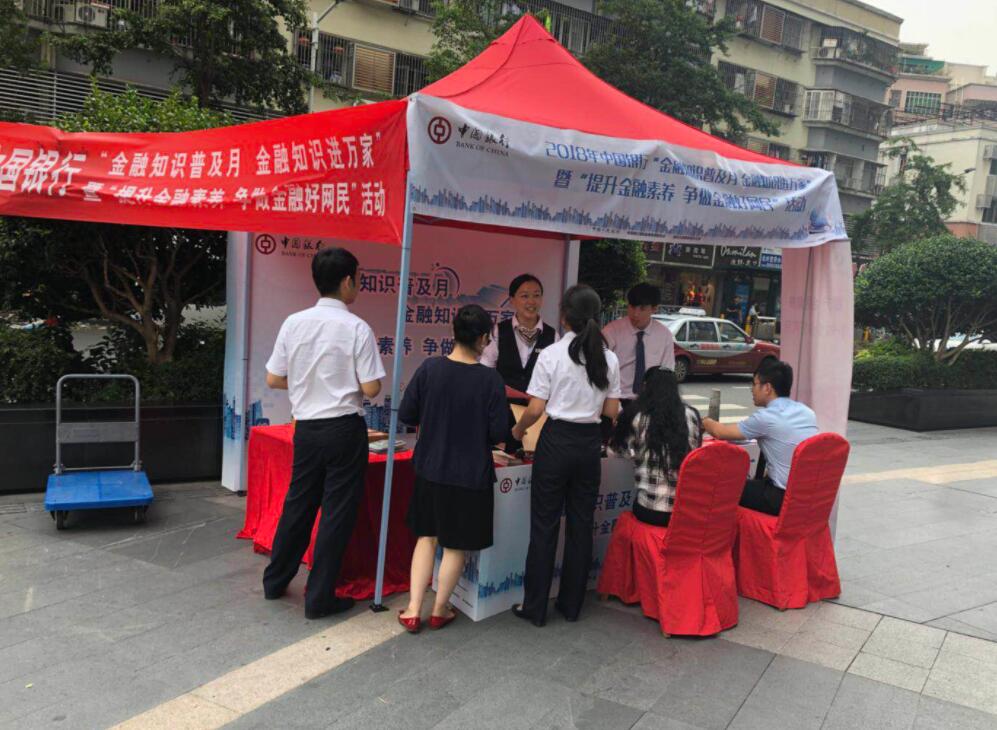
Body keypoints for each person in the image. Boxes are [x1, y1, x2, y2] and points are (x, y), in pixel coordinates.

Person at [262, 247, 385, 619]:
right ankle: (319, 597)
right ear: (347, 281)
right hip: (344, 429)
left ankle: (274, 581)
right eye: (358, 278)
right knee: (336, 512)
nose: (358, 284)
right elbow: (372, 388)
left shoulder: (293, 322)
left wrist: (307, 382)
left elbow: (273, 378)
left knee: (298, 504)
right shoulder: (357, 327)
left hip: (306, 429)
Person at [510, 284, 622, 626]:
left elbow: (535, 409)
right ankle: (571, 606)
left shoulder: (551, 354)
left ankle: (535, 608)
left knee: (544, 526)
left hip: (556, 441)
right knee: (581, 524)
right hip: (589, 445)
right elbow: (612, 411)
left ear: (564, 316)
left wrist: (517, 430)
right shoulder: (609, 358)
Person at [396, 305, 507, 633]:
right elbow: (499, 432)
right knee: (456, 544)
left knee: (426, 537)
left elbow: (407, 414)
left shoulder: (430, 369)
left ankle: (413, 609)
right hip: (470, 474)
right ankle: (440, 609)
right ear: (483, 339)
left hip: (430, 468)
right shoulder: (490, 380)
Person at [702, 360, 818, 516]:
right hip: (807, 496)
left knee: (722, 487)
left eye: (754, 384)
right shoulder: (807, 412)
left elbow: (721, 432)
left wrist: (705, 421)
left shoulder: (767, 418)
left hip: (780, 498)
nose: (752, 389)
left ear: (767, 388)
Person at [610, 368, 703, 526]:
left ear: (645, 387)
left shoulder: (637, 416)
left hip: (649, 510)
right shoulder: (692, 415)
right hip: (682, 511)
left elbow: (618, 452)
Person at [481, 274, 558, 450]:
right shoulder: (498, 331)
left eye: (536, 295)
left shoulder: (552, 335)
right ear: (512, 300)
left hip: (538, 417)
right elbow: (486, 373)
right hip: (502, 414)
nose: (531, 301)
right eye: (524, 296)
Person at [603, 282, 675, 406]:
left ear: (654, 308)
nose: (635, 314)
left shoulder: (664, 335)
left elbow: (667, 371)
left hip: (649, 401)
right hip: (615, 400)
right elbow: (598, 366)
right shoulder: (611, 331)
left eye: (642, 309)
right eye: (632, 307)